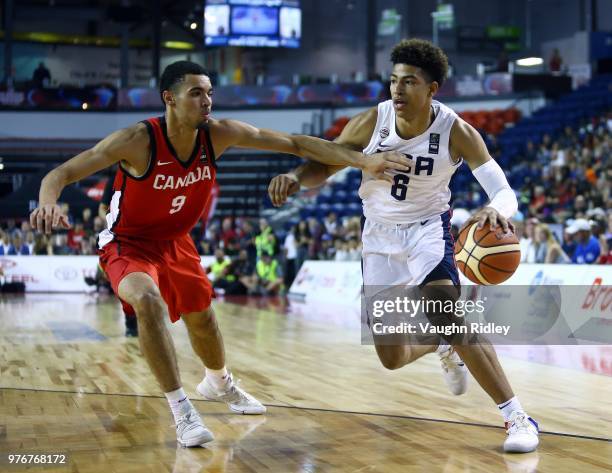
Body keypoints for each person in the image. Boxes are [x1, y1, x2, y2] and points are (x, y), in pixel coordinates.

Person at [29, 60, 410, 448]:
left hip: (178, 242)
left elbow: (296, 144)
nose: (207, 100)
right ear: (169, 99)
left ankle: (219, 383)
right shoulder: (136, 140)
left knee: (205, 321)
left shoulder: (219, 134)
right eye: (196, 93)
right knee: (147, 301)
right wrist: (48, 203)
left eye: (210, 92)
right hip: (129, 244)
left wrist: (363, 160)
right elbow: (58, 175)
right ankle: (182, 410)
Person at [268, 39, 539, 453]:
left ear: (432, 89)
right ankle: (441, 343)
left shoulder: (457, 131)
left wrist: (492, 208)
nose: (397, 89)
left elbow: (504, 192)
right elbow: (325, 163)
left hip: (427, 231)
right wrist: (295, 177)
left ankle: (516, 416)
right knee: (392, 358)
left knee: (446, 310)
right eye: (393, 80)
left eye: (408, 82)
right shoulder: (371, 122)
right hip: (377, 238)